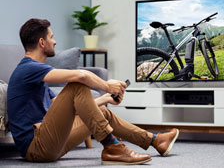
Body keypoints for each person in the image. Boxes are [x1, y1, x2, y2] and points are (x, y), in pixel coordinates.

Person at [7, 18, 179, 165]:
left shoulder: (35, 72)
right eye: (51, 37)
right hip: (37, 147)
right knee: (76, 84)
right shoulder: (28, 69)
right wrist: (107, 86)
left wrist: (104, 98)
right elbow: (81, 76)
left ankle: (155, 141)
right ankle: (112, 147)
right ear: (41, 43)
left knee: (102, 111)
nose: (55, 41)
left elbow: (58, 108)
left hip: (48, 141)